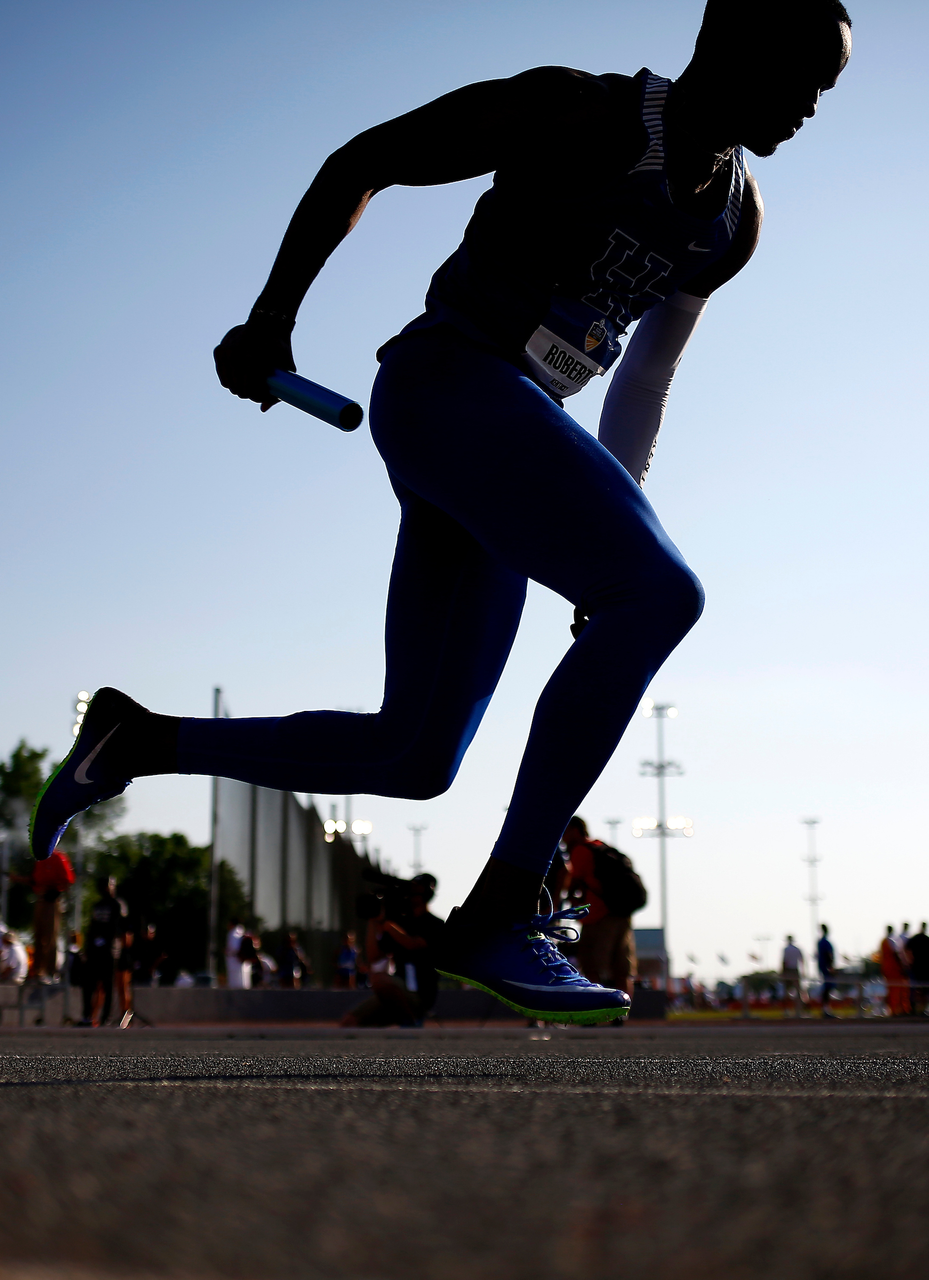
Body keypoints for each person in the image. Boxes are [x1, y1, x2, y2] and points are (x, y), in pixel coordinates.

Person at [29, 0, 852, 1026]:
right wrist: (271, 317)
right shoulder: (576, 114)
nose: (815, 104)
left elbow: (642, 375)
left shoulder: (733, 221)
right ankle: (504, 907)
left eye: (830, 87)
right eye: (801, 76)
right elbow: (362, 160)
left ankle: (140, 738)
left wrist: (614, 540)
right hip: (443, 382)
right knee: (663, 594)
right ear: (726, 46)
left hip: (511, 441)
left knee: (414, 754)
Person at [342, 874, 444, 1027]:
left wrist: (388, 925)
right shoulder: (399, 923)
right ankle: (405, 1019)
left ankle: (410, 1021)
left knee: (379, 979)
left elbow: (413, 944)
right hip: (395, 994)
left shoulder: (435, 924)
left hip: (420, 994)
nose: (411, 895)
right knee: (349, 1023)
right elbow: (374, 957)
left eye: (416, 891)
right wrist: (374, 920)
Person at [563, 816, 642, 996]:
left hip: (598, 918)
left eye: (564, 832)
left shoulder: (581, 851)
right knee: (621, 967)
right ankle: (622, 1010)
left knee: (591, 966)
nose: (562, 838)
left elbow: (573, 885)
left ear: (575, 831)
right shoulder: (600, 846)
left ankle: (594, 1009)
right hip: (621, 914)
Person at [6, 846, 74, 980]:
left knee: (50, 936)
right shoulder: (40, 859)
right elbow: (35, 881)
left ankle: (50, 971)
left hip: (52, 901)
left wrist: (56, 893)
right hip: (41, 899)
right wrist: (16, 878)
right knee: (38, 935)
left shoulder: (58, 858)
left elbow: (68, 880)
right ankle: (37, 971)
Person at [81, 876, 127, 1027]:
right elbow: (92, 926)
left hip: (110, 949)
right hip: (95, 949)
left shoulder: (117, 905)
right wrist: (89, 946)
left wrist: (107, 941)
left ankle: (107, 1017)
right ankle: (87, 1016)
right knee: (89, 984)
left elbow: (118, 927)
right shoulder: (97, 905)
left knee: (108, 985)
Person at [880, 924, 910, 1017]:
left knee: (891, 989)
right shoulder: (892, 941)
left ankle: (892, 1009)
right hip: (894, 969)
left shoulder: (883, 941)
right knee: (898, 989)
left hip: (886, 968)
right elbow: (896, 954)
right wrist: (903, 966)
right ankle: (898, 1009)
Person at [907, 923, 929, 1016]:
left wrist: (908, 961)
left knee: (916, 989)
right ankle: (920, 1009)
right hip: (923, 968)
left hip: (917, 967)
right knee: (923, 990)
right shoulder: (925, 939)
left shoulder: (916, 939)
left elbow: (906, 949)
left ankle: (916, 1009)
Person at [816, 923, 838, 1019]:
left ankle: (825, 1008)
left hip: (823, 967)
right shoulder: (824, 942)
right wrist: (831, 966)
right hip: (826, 968)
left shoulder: (820, 942)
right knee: (827, 988)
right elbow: (829, 955)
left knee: (827, 988)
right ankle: (825, 1008)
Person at [781, 935, 805, 1015]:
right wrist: (803, 971)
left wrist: (782, 973)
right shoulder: (797, 949)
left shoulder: (786, 949)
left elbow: (784, 961)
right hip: (795, 970)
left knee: (786, 991)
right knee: (797, 991)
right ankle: (798, 1010)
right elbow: (802, 961)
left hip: (788, 970)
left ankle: (786, 1010)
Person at [224, 918, 246, 989]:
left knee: (234, 978)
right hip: (240, 958)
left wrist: (227, 951)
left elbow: (234, 947)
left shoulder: (233, 933)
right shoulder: (241, 931)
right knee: (242, 977)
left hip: (234, 957)